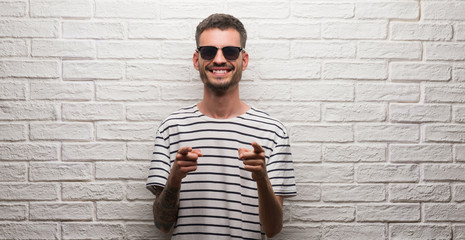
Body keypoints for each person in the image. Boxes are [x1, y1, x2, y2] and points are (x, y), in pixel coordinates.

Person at [146, 13, 297, 240]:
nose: (218, 60)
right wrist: (175, 178)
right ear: (197, 60)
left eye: (230, 51)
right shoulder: (171, 128)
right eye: (209, 51)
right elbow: (162, 225)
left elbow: (273, 229)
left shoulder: (272, 131)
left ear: (243, 60)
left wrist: (262, 178)